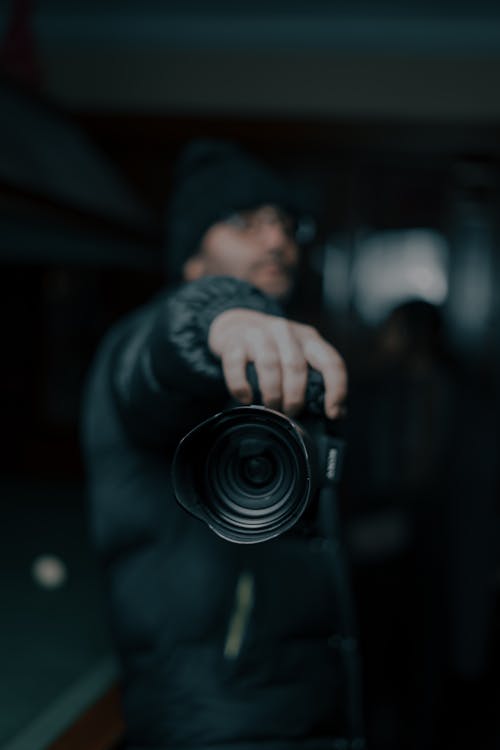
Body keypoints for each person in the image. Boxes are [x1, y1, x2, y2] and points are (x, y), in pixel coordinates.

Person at [82, 140, 357, 750]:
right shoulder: (144, 344)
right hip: (214, 725)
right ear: (191, 261)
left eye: (285, 223)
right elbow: (162, 349)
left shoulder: (284, 360)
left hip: (305, 709)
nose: (277, 241)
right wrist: (223, 316)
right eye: (245, 222)